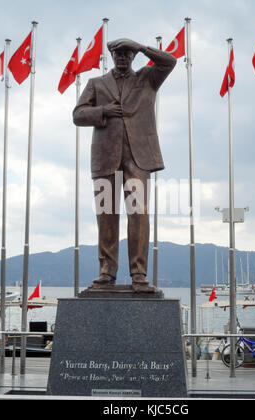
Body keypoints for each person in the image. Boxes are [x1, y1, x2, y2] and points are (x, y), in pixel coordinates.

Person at [73, 38, 176, 292]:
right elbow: (77, 114)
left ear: (133, 56)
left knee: (138, 214)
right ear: (112, 56)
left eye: (128, 53)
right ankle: (107, 272)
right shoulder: (96, 83)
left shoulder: (147, 79)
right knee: (106, 216)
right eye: (118, 53)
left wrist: (142, 47)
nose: (122, 57)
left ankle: (138, 273)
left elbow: (170, 61)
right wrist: (104, 110)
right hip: (105, 158)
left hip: (138, 157)